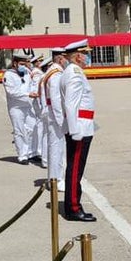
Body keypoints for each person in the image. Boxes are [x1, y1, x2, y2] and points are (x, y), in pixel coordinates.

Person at [60, 39, 96, 222]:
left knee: (75, 168)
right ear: (78, 56)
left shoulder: (73, 72)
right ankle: (73, 208)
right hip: (79, 128)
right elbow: (71, 104)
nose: (88, 57)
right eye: (86, 54)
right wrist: (75, 131)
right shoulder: (74, 74)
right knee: (75, 169)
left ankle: (73, 204)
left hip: (81, 125)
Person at [39, 49, 68, 189]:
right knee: (57, 149)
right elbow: (56, 100)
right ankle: (56, 180)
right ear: (60, 59)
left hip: (51, 113)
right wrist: (62, 121)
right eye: (65, 58)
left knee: (55, 148)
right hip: (55, 116)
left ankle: (54, 179)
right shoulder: (56, 75)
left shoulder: (51, 72)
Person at [3, 53, 38, 164]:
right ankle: (22, 155)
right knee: (19, 131)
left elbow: (31, 85)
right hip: (16, 107)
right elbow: (11, 92)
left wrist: (34, 92)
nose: (24, 66)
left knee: (33, 127)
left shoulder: (27, 72)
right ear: (15, 63)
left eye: (25, 63)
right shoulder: (8, 75)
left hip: (27, 105)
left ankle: (32, 153)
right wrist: (28, 94)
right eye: (22, 64)